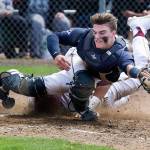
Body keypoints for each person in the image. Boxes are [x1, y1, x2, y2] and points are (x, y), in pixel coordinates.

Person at [0, 13, 150, 122]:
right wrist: (57, 54)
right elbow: (54, 37)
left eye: (102, 32)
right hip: (100, 93)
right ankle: (139, 29)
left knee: (137, 75)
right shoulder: (86, 37)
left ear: (113, 33)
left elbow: (127, 67)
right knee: (109, 97)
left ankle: (138, 28)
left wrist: (140, 75)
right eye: (96, 32)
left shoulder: (116, 52)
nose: (97, 36)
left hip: (92, 81)